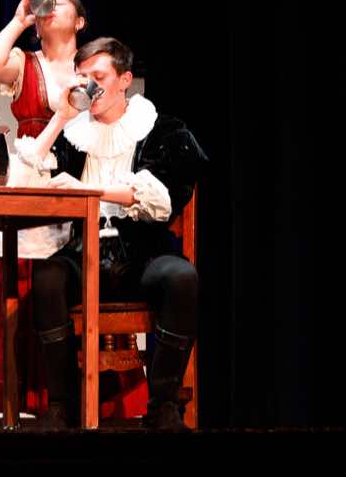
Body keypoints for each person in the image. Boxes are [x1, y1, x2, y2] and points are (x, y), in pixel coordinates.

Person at [14, 37, 207, 430]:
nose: (91, 87)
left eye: (98, 77)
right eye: (83, 78)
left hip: (143, 252)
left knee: (182, 277)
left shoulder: (159, 129)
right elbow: (25, 183)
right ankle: (63, 405)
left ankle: (164, 403)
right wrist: (60, 117)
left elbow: (159, 197)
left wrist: (89, 191)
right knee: (48, 277)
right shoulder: (73, 135)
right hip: (84, 253)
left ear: (125, 80)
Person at [0, 0, 147, 419]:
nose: (49, 8)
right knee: (24, 278)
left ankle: (96, 401)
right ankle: (22, 402)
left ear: (80, 21)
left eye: (60, 2)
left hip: (80, 180)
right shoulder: (26, 63)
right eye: (44, 3)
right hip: (32, 175)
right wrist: (20, 19)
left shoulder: (92, 68)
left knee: (73, 275)